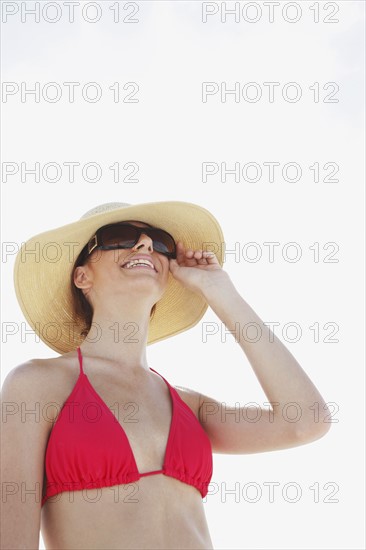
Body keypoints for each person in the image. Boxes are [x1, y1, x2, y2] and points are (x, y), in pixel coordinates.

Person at [1, 200, 331, 550]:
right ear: (82, 275)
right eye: (120, 236)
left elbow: (306, 421)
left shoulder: (190, 405)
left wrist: (221, 293)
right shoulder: (36, 385)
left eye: (159, 242)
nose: (144, 244)